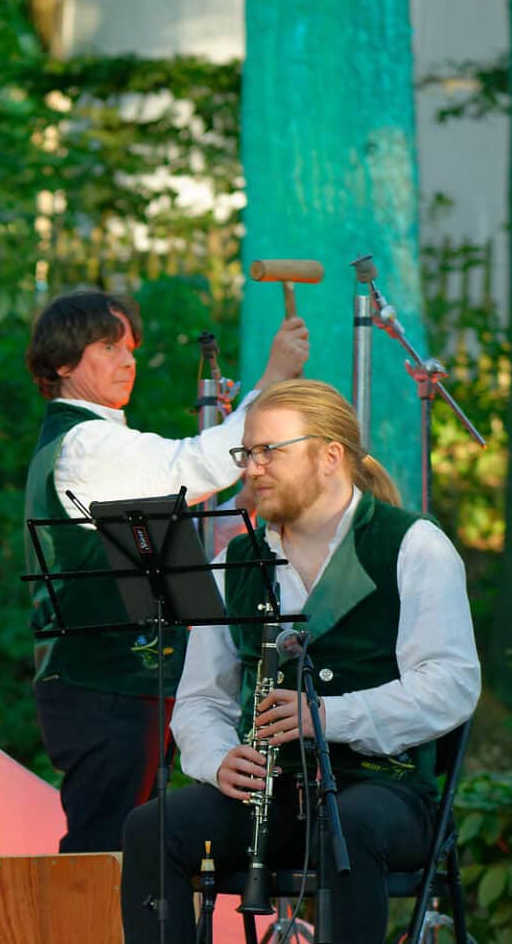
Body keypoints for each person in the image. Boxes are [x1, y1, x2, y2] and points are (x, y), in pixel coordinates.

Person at [82, 379, 480, 944]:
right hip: (270, 792)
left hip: (383, 793)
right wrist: (215, 760)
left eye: (269, 451)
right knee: (152, 826)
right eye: (246, 452)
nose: (251, 467)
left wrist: (327, 717)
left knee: (350, 825)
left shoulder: (412, 545)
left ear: (330, 457)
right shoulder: (240, 559)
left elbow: (452, 686)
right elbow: (201, 699)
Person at [25, 290, 310, 853]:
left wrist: (239, 517)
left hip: (122, 684)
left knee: (127, 849)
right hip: (103, 684)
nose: (127, 360)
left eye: (130, 347)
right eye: (108, 347)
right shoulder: (87, 443)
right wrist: (274, 378)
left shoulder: (101, 447)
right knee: (103, 852)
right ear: (62, 362)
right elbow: (200, 463)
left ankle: (122, 943)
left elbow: (170, 568)